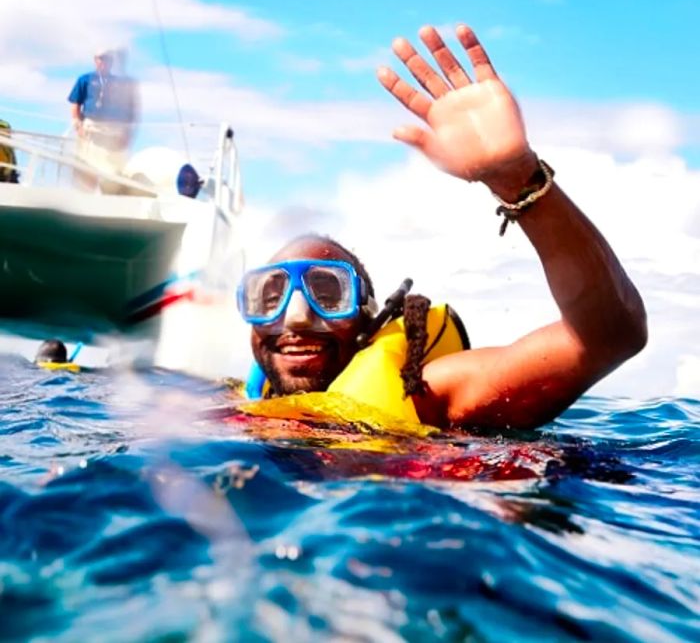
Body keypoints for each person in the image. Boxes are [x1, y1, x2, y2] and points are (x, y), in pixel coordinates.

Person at [236, 24, 647, 430]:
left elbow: (610, 336)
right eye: (268, 297)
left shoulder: (429, 393)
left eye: (328, 292)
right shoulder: (242, 405)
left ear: (368, 319)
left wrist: (517, 176)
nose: (296, 317)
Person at [67, 48, 139, 193]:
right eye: (100, 59)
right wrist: (77, 124)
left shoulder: (119, 83)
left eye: (106, 59)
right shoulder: (84, 79)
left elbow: (128, 110)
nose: (103, 62)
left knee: (112, 170)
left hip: (112, 131)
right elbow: (75, 103)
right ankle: (85, 195)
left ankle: (110, 195)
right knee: (87, 166)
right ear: (95, 60)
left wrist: (127, 133)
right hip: (91, 128)